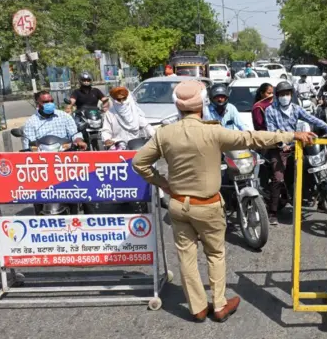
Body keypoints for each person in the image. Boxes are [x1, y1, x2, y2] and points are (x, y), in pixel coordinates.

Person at [132, 80, 316, 323]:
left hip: (177, 204)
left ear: (177, 106)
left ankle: (196, 308)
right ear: (204, 104)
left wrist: (162, 183)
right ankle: (219, 305)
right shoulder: (213, 131)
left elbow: (138, 163)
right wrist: (292, 135)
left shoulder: (165, 133)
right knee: (215, 254)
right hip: (206, 205)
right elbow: (252, 138)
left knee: (186, 257)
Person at [265, 81, 327, 223]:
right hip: (278, 147)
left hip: (296, 146)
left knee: (312, 165)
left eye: (287, 94)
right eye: (281, 94)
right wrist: (282, 144)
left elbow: (313, 119)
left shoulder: (296, 108)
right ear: (277, 96)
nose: (284, 97)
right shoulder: (271, 110)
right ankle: (273, 212)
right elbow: (272, 131)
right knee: (278, 177)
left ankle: (318, 200)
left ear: (291, 95)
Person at [23, 91, 87, 150]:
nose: (50, 104)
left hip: (65, 152)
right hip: (42, 155)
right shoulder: (31, 122)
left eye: (51, 101)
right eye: (46, 102)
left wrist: (78, 140)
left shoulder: (64, 116)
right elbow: (29, 145)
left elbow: (74, 134)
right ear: (38, 104)